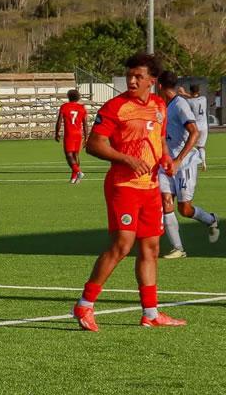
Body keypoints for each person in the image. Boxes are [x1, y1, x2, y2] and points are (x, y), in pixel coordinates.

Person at [73, 53, 184, 331]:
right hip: (123, 187)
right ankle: (85, 305)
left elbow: (159, 139)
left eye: (138, 77)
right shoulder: (116, 107)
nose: (132, 81)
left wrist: (166, 157)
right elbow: (94, 145)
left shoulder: (160, 104)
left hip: (150, 187)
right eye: (130, 76)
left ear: (152, 81)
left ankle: (151, 313)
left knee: (151, 247)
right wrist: (126, 158)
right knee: (122, 245)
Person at [157, 72, 218, 258]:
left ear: (159, 86)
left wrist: (178, 160)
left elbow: (194, 133)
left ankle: (210, 220)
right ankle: (178, 249)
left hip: (184, 164)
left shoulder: (180, 105)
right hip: (166, 164)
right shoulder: (162, 105)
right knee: (166, 202)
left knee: (185, 209)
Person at [56, 89, 89, 183]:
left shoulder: (64, 107)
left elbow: (59, 121)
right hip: (79, 134)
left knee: (68, 155)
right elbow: (85, 124)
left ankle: (78, 172)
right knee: (76, 155)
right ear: (78, 97)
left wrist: (57, 132)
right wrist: (86, 137)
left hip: (69, 133)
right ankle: (74, 178)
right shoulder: (82, 108)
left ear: (68, 97)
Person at [186, 83, 209, 171]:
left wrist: (183, 94)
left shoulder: (189, 102)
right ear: (198, 91)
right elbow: (195, 97)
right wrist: (186, 94)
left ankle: (191, 162)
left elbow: (191, 99)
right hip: (204, 126)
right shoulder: (204, 99)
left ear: (190, 91)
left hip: (195, 126)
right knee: (201, 146)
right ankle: (203, 162)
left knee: (189, 145)